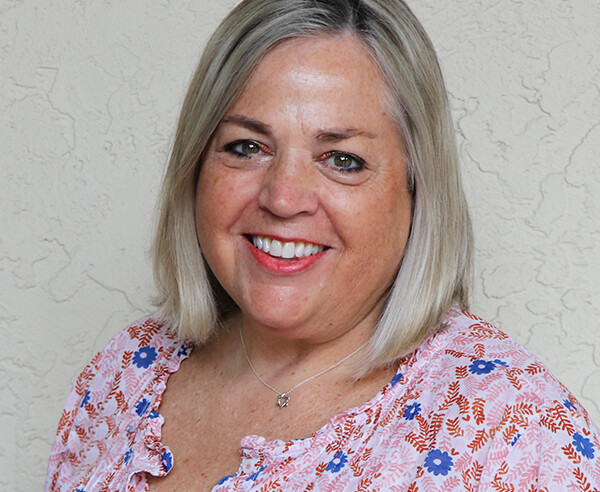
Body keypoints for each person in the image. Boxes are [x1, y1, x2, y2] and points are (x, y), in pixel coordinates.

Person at [45, 0, 600, 490]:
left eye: (343, 160)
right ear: (195, 168)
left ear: (416, 189)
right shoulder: (126, 372)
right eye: (246, 147)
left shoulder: (515, 432)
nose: (284, 198)